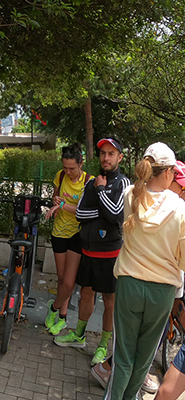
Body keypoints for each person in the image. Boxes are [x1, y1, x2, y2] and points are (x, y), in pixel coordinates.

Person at [96, 142, 185, 399]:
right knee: (143, 358)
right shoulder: (180, 208)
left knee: (123, 356)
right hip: (162, 291)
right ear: (169, 172)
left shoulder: (130, 195)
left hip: (129, 284)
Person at [54, 137, 131, 366]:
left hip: (110, 254)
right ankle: (78, 335)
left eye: (110, 154)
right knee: (85, 294)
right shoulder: (91, 183)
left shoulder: (123, 184)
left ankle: (102, 346)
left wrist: (99, 191)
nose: (105, 158)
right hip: (88, 250)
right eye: (103, 153)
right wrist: (102, 210)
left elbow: (117, 214)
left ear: (120, 157)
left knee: (110, 300)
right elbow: (81, 214)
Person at [44, 143, 93, 335]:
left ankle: (53, 308)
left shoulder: (89, 182)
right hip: (59, 232)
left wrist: (62, 205)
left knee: (69, 282)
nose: (68, 171)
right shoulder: (60, 175)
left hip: (77, 234)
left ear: (81, 164)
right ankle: (62, 318)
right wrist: (55, 201)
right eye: (65, 167)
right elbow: (55, 197)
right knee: (62, 278)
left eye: (72, 168)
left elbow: (85, 212)